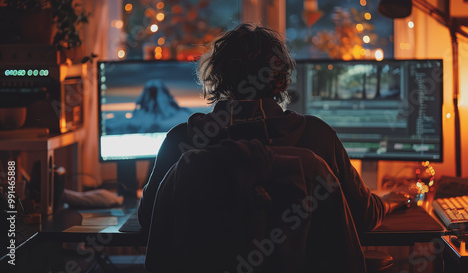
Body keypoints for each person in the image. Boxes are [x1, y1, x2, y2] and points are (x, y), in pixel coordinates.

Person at [138, 23, 410, 231]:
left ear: (217, 76)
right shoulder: (316, 136)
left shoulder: (182, 140)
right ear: (280, 78)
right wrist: (391, 199)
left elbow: (148, 220)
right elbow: (364, 217)